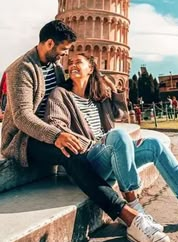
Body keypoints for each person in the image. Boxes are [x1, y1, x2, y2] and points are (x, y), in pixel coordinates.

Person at [1, 20, 168, 242]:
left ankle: (132, 214)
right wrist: (57, 136)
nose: (64, 56)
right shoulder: (21, 69)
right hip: (23, 139)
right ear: (49, 43)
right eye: (62, 50)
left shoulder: (55, 67)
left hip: (51, 132)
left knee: (75, 148)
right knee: (70, 151)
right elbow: (23, 117)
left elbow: (70, 98)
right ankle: (131, 218)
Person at [45, 53, 178, 241]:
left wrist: (115, 90)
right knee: (118, 135)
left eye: (78, 62)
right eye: (70, 63)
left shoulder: (97, 96)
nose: (72, 66)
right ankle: (134, 208)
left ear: (91, 68)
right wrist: (97, 143)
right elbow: (55, 123)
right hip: (88, 162)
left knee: (154, 144)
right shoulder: (61, 94)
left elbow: (120, 114)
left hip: (111, 154)